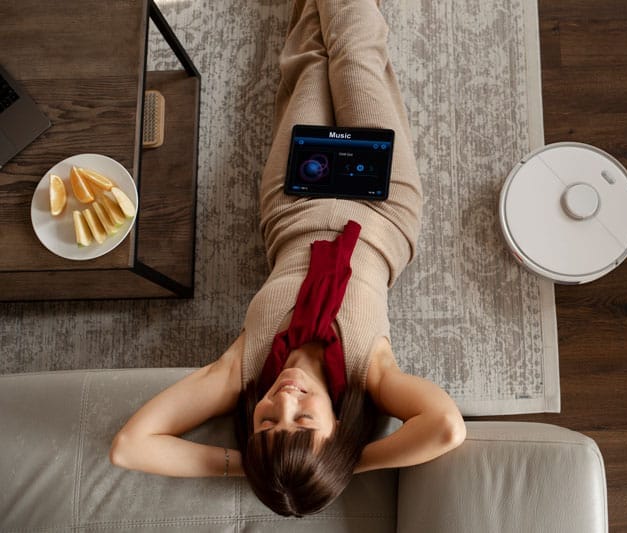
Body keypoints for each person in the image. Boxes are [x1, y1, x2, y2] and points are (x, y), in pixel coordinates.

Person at [109, 0, 466, 518]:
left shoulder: (245, 368)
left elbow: (131, 446)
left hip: (294, 201)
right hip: (383, 205)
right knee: (356, 56)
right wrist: (346, 464)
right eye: (303, 421)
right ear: (337, 431)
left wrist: (242, 464)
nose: (283, 400)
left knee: (307, 62)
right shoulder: (372, 376)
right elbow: (446, 427)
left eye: (266, 423)